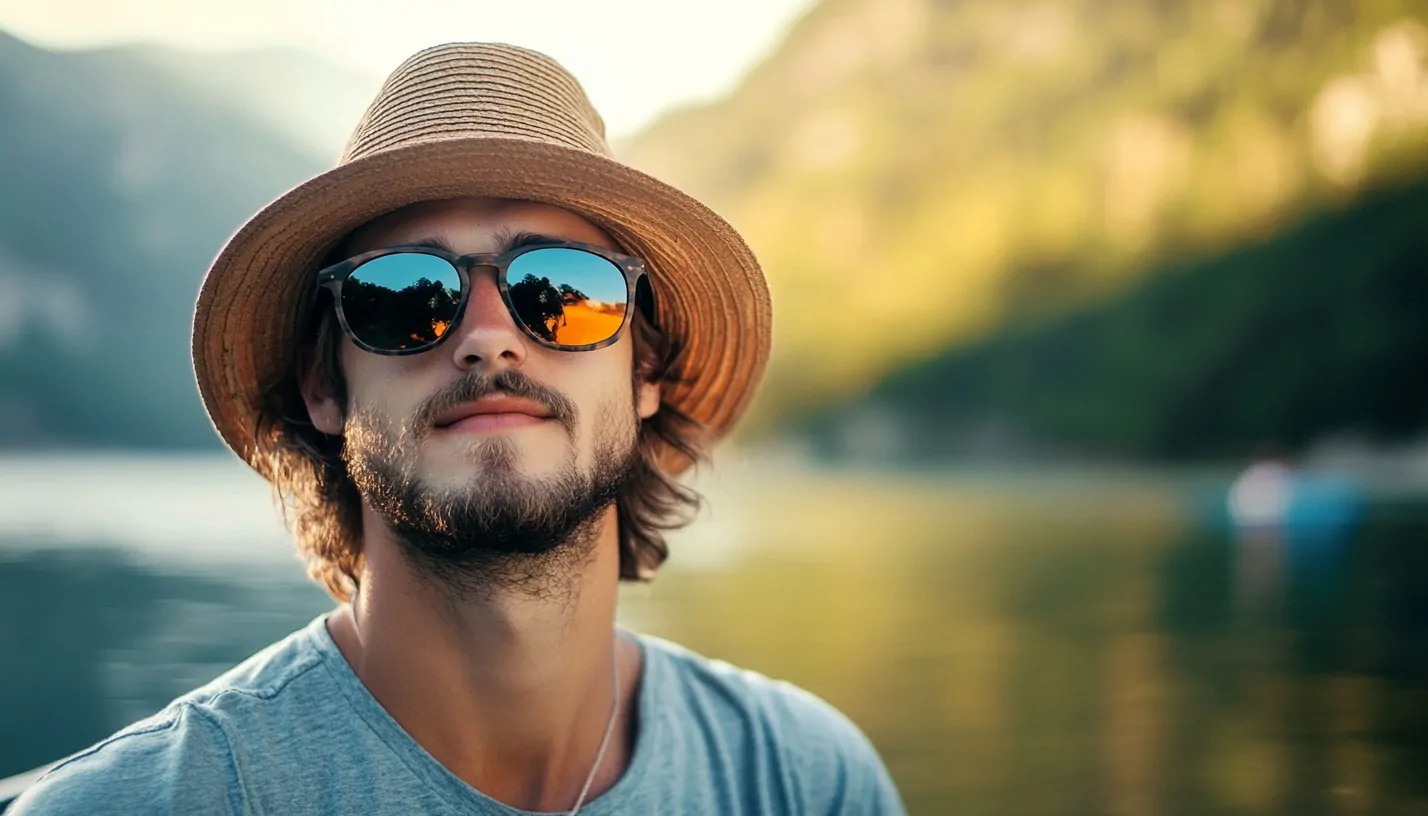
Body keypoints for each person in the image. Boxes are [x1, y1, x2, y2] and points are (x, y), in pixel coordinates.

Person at [9, 43, 905, 815]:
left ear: (644, 374)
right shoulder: (145, 803)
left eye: (564, 288)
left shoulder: (800, 779)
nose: (486, 338)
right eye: (403, 296)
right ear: (325, 388)